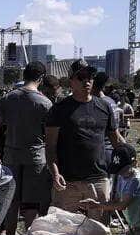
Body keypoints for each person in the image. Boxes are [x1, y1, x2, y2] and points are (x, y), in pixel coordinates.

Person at [45, 59, 124, 220]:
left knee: (101, 229)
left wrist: (129, 158)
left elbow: (116, 139)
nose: (87, 81)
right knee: (64, 230)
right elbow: (50, 146)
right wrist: (55, 173)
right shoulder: (59, 109)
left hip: (99, 178)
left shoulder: (104, 107)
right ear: (71, 81)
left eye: (90, 76)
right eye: (81, 77)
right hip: (68, 181)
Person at [0, 61, 53, 235]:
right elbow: (50, 136)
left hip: (11, 154)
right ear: (41, 78)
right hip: (36, 157)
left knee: (11, 201)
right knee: (31, 204)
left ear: (24, 76)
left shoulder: (8, 98)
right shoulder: (45, 103)